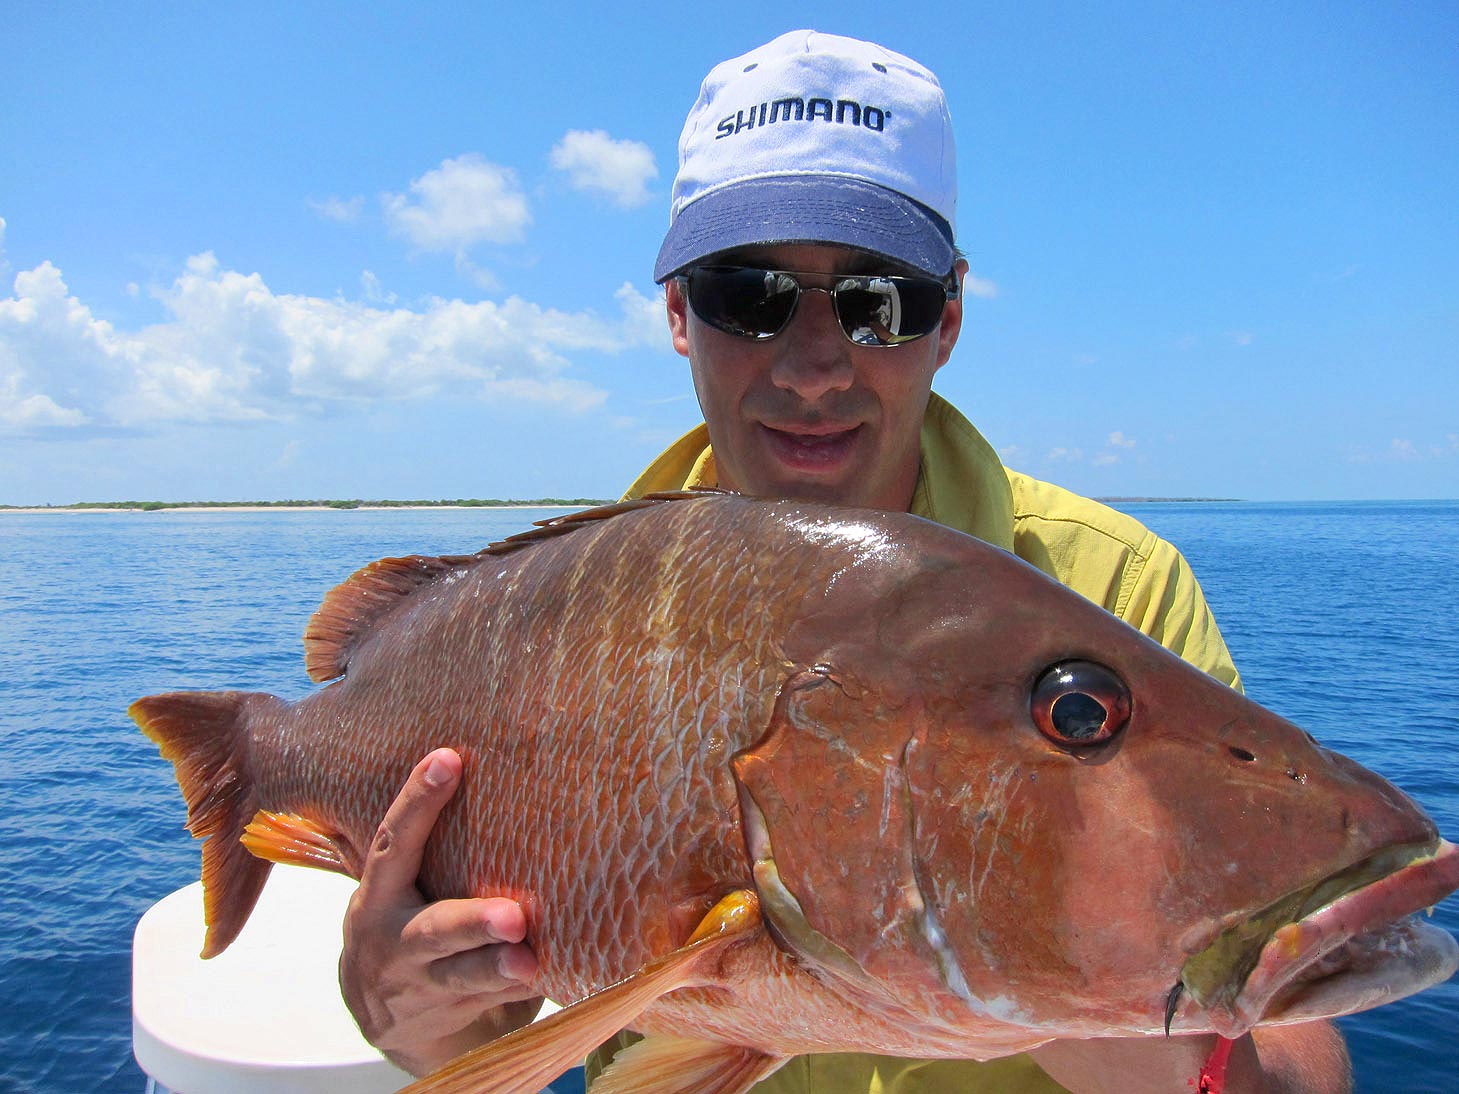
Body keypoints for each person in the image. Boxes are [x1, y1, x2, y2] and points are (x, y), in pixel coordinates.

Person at [337, 31, 1352, 1092]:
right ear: (679, 314)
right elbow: (484, 1045)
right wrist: (426, 1027)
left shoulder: (1116, 594)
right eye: (749, 296)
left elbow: (1308, 1047)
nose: (814, 366)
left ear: (946, 320)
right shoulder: (551, 617)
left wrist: (1187, 1065)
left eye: (879, 302)